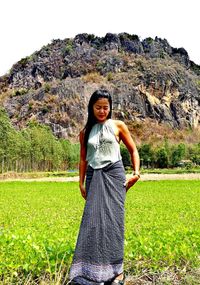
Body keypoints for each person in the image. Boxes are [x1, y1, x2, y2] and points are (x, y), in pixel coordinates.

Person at [69, 89, 140, 285]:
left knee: (114, 222)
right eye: (98, 107)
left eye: (105, 107)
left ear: (110, 108)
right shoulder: (85, 132)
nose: (102, 111)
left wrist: (136, 173)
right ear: (91, 108)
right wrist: (81, 182)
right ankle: (89, 271)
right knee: (92, 223)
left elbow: (133, 150)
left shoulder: (118, 126)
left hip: (114, 175)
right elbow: (83, 159)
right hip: (94, 175)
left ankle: (117, 272)